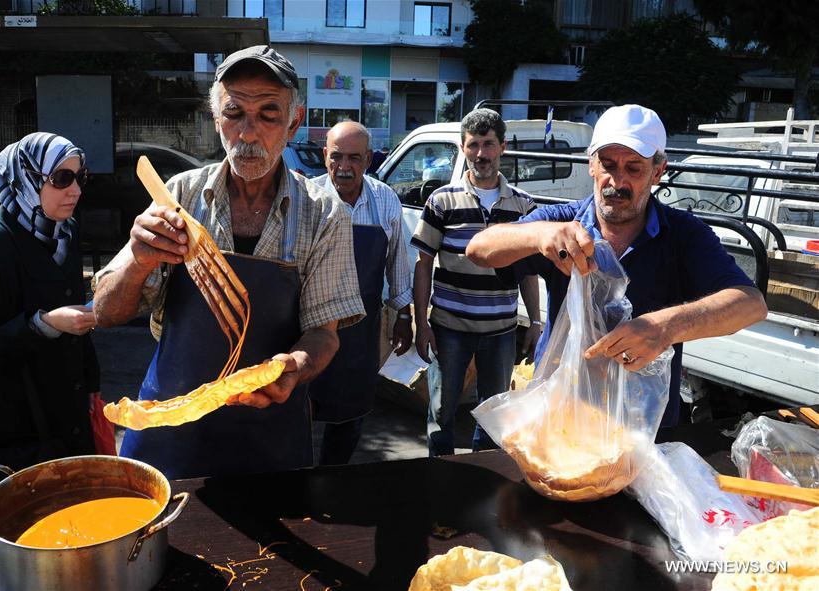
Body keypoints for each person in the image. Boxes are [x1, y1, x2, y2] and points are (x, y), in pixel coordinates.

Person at [92, 45, 365, 478]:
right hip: (170, 427)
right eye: (235, 113)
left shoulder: (323, 213)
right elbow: (106, 312)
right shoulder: (177, 198)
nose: (249, 133)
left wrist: (294, 367)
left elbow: (323, 332)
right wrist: (138, 261)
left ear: (294, 121)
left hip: (270, 436)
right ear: (216, 118)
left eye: (268, 115)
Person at [466, 104, 768, 427]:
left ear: (658, 171)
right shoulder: (563, 223)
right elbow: (479, 248)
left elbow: (751, 304)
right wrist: (538, 235)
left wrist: (663, 328)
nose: (617, 180)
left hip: (644, 428)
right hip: (563, 418)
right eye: (607, 164)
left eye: (634, 168)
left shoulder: (683, 235)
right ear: (590, 164)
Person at [0, 132, 100, 475]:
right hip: (19, 423)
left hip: (70, 407)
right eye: (61, 179)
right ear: (26, 180)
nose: (76, 190)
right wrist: (45, 322)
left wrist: (92, 384)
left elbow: (76, 312)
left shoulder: (65, 231)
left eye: (80, 177)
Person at [411, 108, 542, 457]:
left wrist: (536, 321)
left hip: (500, 331)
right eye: (473, 145)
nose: (481, 154)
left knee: (493, 414)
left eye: (488, 144)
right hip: (449, 329)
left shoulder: (523, 206)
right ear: (462, 148)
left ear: (503, 147)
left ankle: (483, 479)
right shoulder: (441, 201)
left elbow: (528, 271)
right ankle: (440, 479)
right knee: (441, 412)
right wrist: (421, 323)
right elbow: (423, 265)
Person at [310, 121, 413, 465]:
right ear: (325, 156)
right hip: (307, 327)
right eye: (336, 157)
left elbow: (398, 259)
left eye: (354, 158)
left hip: (362, 331)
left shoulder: (385, 200)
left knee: (350, 414)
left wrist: (403, 313)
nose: (344, 167)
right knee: (299, 408)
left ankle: (333, 476)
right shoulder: (306, 199)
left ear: (368, 159)